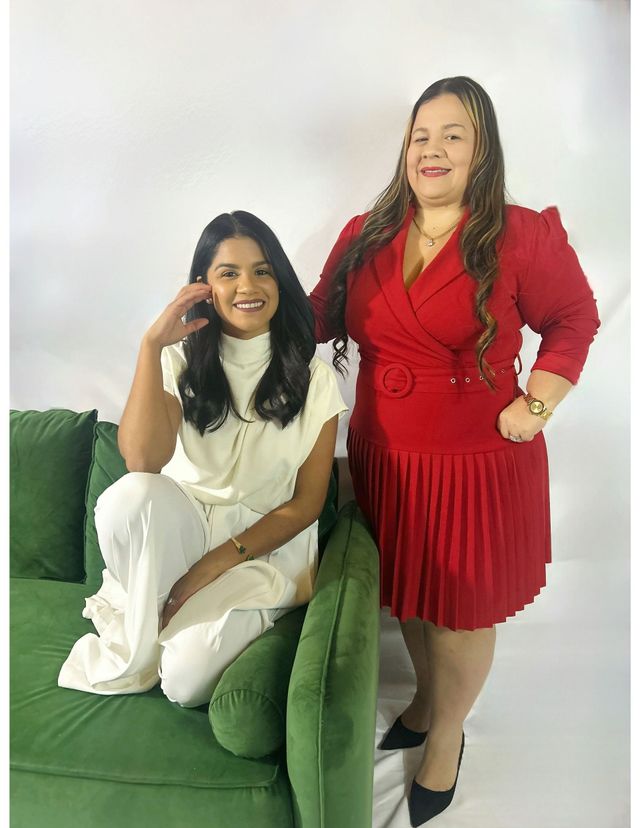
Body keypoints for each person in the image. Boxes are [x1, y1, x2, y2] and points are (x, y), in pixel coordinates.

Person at [309, 76, 600, 826]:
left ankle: (446, 735)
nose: (432, 150)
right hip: (384, 452)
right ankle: (426, 699)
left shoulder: (520, 234)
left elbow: (573, 318)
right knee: (409, 590)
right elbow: (312, 319)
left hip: (476, 461)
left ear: (482, 152)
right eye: (420, 135)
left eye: (453, 136)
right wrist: (230, 312)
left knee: (461, 613)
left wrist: (536, 404)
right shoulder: (366, 232)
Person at [59, 211, 347, 707]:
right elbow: (142, 461)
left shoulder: (314, 378)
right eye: (228, 273)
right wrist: (151, 347)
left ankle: (184, 614)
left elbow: (306, 506)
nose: (247, 286)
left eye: (262, 270)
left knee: (185, 682)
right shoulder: (179, 361)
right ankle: (149, 624)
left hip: (261, 547)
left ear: (279, 279)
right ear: (203, 287)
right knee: (130, 497)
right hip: (183, 528)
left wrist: (212, 566)